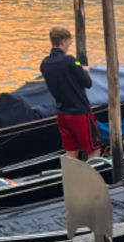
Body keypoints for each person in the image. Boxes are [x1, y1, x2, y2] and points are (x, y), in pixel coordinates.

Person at [40, 25, 100, 160]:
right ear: (63, 42)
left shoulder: (45, 64)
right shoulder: (71, 60)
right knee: (93, 150)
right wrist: (84, 70)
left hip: (62, 114)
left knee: (71, 152)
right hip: (80, 113)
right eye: (69, 42)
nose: (69, 45)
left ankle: (71, 179)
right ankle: (90, 180)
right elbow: (88, 83)